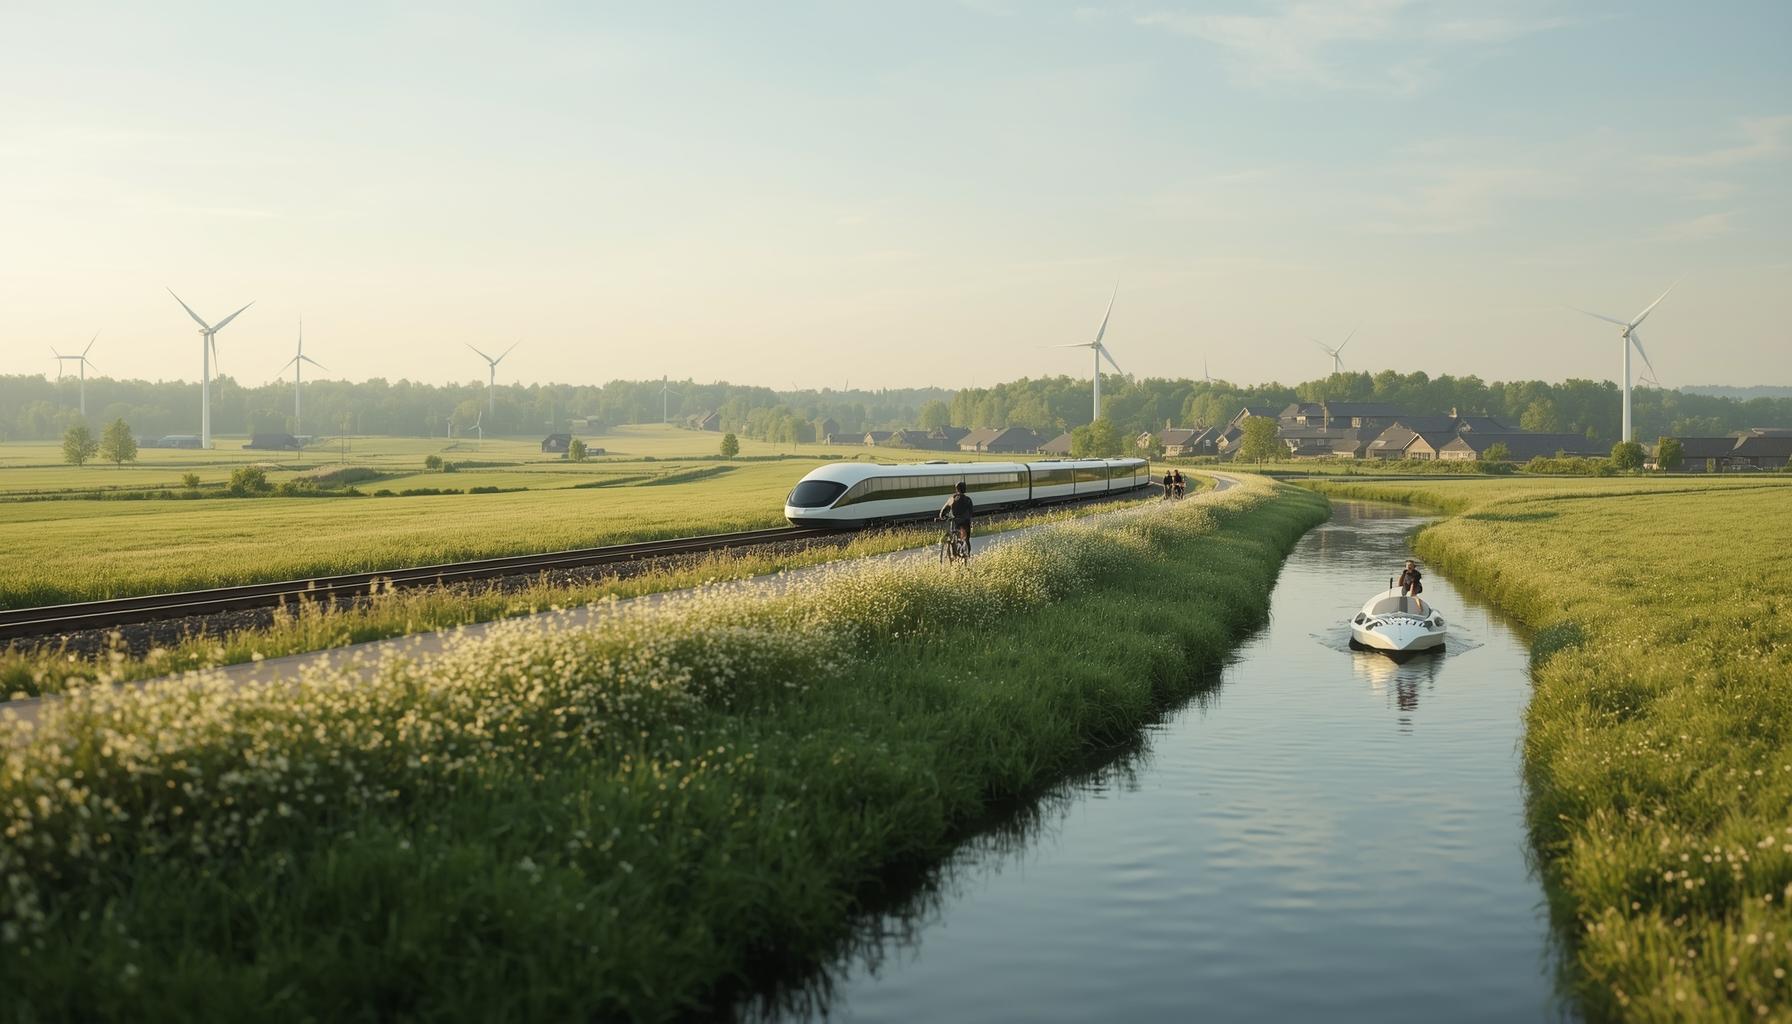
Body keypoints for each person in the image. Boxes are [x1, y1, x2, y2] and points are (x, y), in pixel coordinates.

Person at [938, 480, 975, 555]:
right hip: (965, 522)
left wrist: (941, 516)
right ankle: (967, 554)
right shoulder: (968, 499)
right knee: (966, 539)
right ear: (965, 489)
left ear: (956, 489)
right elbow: (971, 512)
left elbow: (944, 509)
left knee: (954, 534)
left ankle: (954, 549)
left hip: (955, 522)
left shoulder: (952, 498)